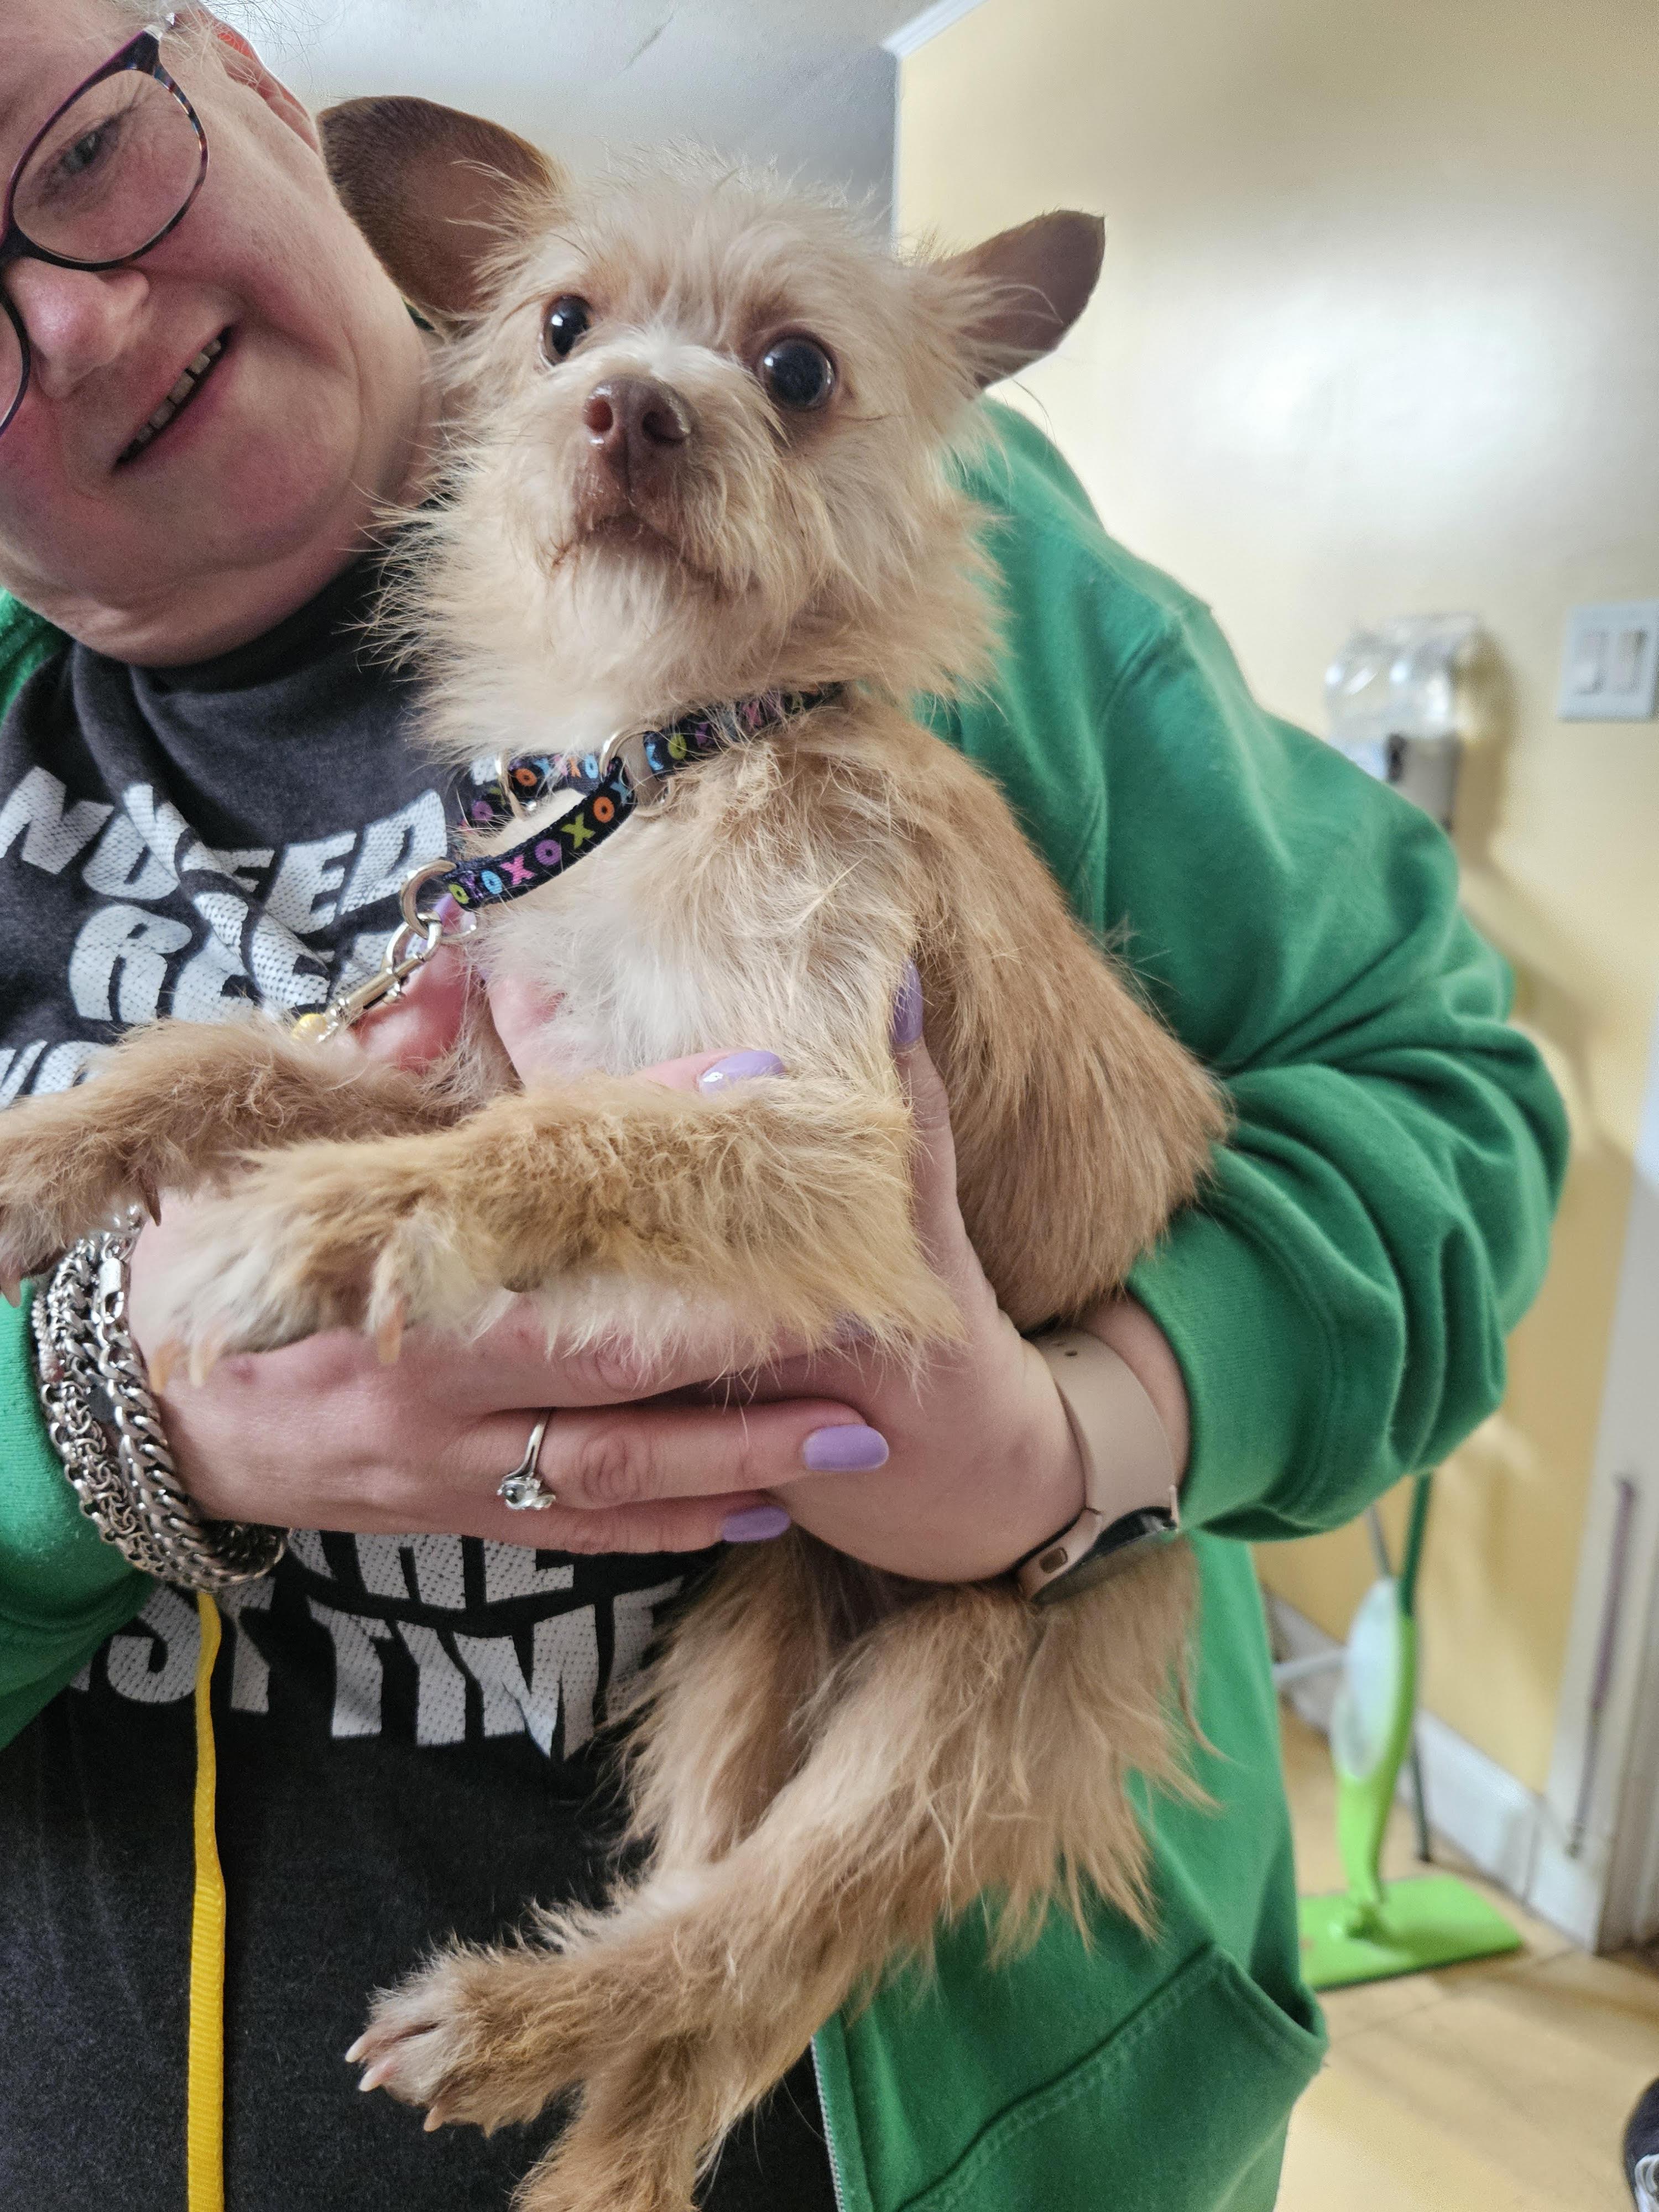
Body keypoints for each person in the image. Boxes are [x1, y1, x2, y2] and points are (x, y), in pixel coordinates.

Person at [0, 8, 1567, 2210]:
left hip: (941, 2057)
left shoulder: (919, 583)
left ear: (250, 86)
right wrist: (83, 1425)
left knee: (822, 1779)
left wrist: (1080, 1441)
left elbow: (1453, 1106)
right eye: (572, 331)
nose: (66, 317)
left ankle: (657, 2047)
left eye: (83, 153)